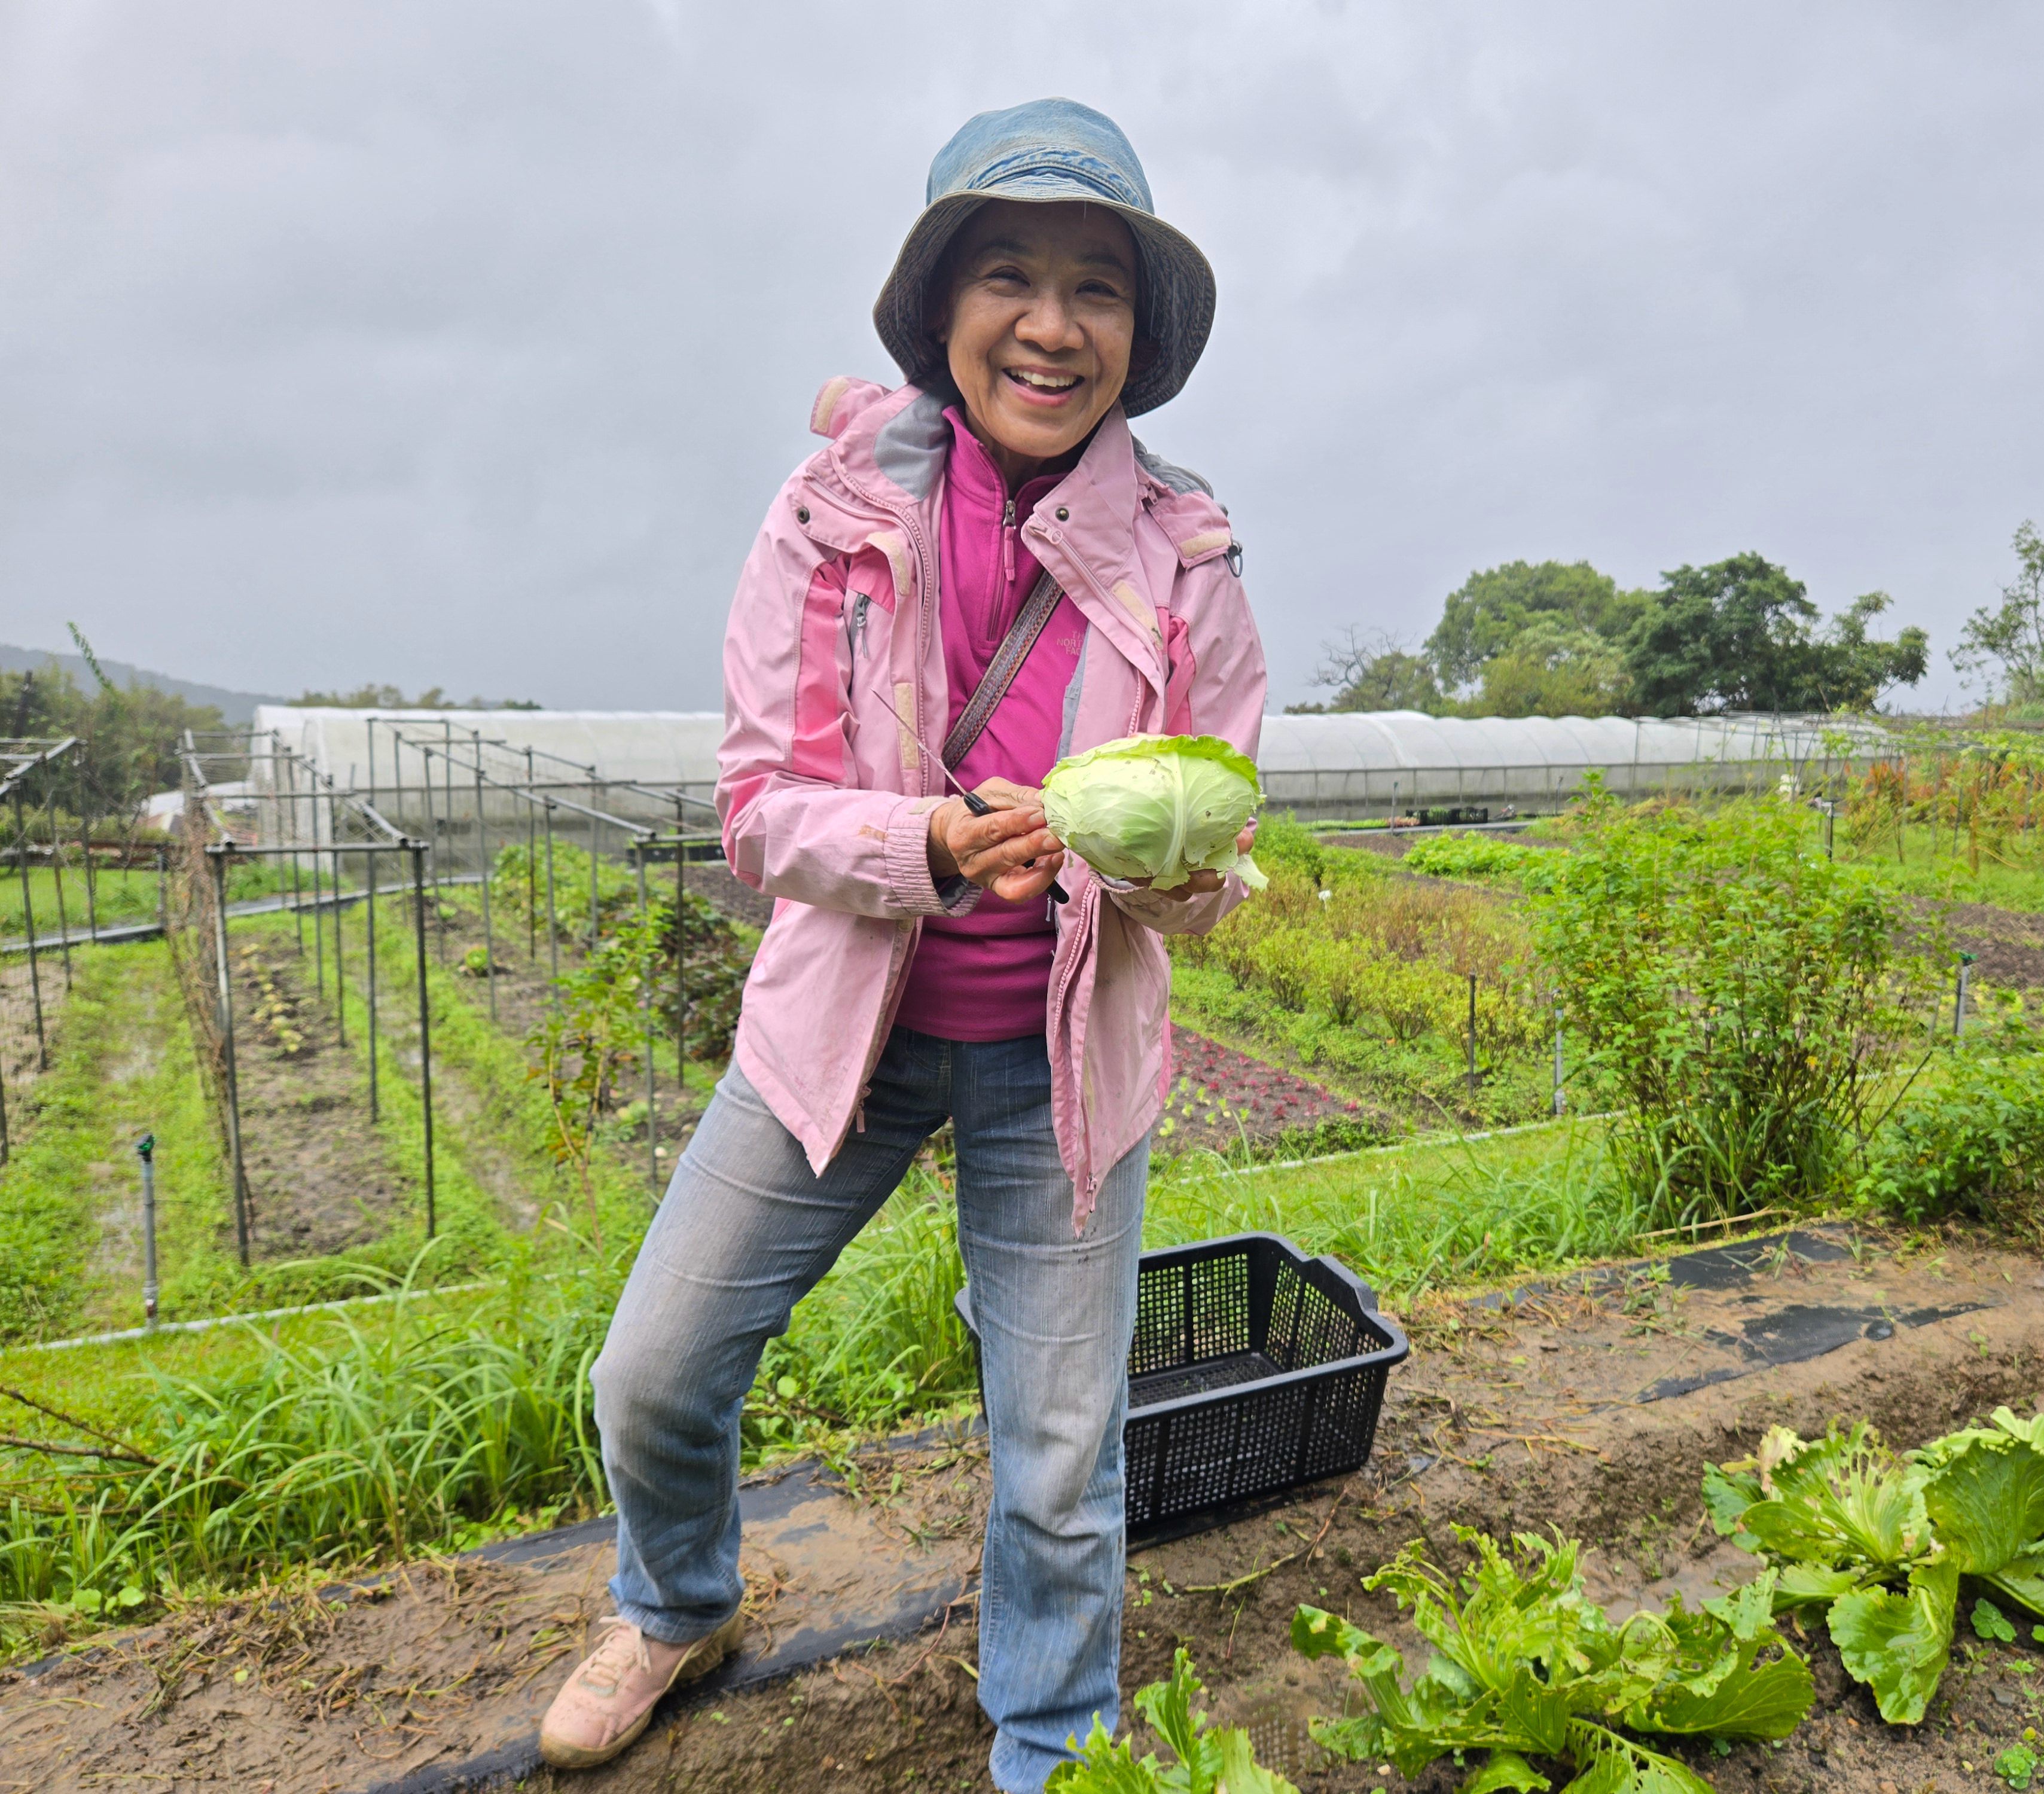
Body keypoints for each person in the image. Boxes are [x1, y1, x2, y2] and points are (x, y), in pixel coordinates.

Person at [536, 98, 1265, 1791]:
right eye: (1010, 274)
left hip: (1057, 1056)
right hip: (838, 1034)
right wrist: (923, 842)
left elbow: (1216, 847)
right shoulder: (831, 515)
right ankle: (675, 1601)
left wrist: (1148, 870)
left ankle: (1051, 1744)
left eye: (1099, 289)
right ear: (943, 308)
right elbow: (755, 809)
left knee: (1061, 1450)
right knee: (654, 1368)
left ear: (1137, 338)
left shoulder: (1190, 553)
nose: (1053, 324)